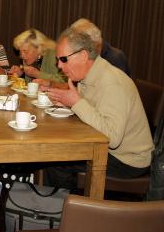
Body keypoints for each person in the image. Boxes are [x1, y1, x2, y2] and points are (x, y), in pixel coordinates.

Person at [44, 28, 153, 190]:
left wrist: (76, 103)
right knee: (55, 148)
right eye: (58, 60)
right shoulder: (86, 76)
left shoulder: (112, 83)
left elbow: (113, 139)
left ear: (83, 56)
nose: (59, 66)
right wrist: (69, 103)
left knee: (57, 161)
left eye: (63, 59)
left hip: (128, 159)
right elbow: (92, 110)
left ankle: (68, 211)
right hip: (106, 147)